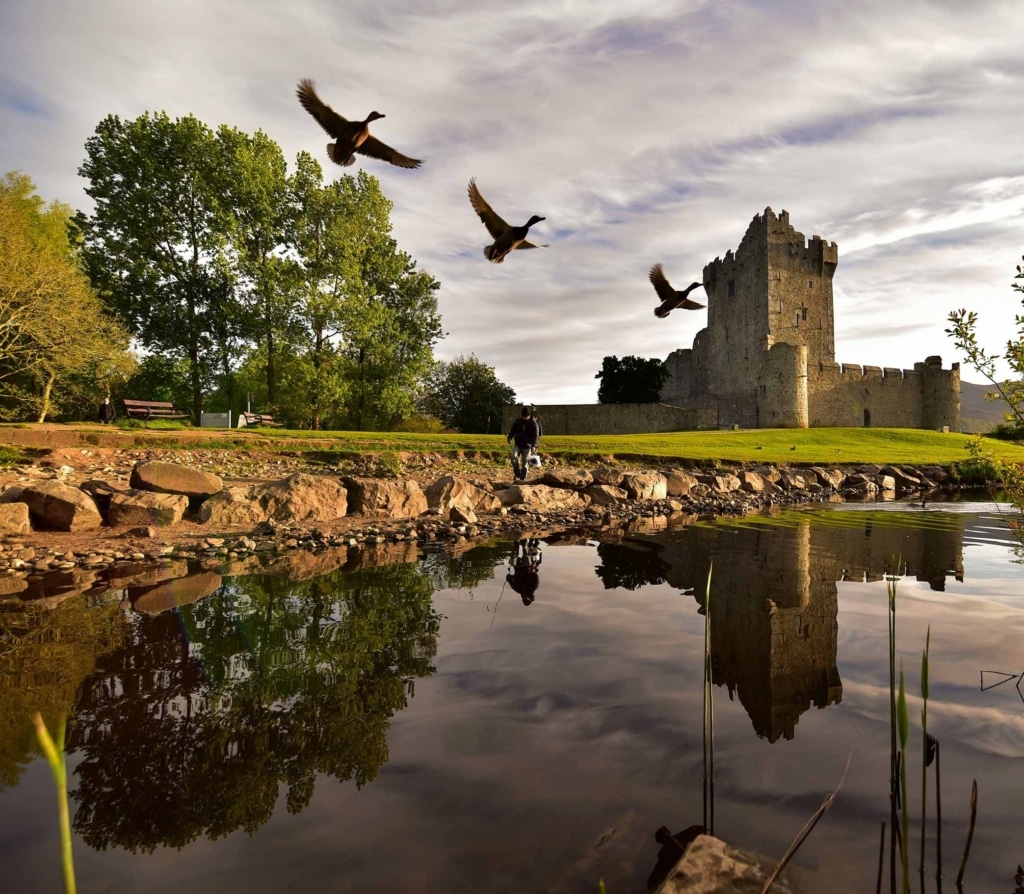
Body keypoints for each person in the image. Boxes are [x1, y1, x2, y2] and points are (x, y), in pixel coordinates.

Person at [506, 538, 542, 606]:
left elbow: (509, 579)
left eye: (523, 598)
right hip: (528, 567)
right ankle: (524, 542)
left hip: (518, 568)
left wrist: (509, 578)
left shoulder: (517, 589)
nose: (524, 596)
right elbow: (535, 575)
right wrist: (532, 569)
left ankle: (516, 543)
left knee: (513, 561)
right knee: (527, 557)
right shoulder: (534, 587)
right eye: (526, 598)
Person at [506, 406, 539, 482]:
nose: (524, 418)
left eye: (526, 417)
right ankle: (517, 474)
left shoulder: (534, 424)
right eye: (523, 416)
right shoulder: (518, 421)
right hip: (518, 444)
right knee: (513, 457)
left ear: (529, 415)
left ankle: (522, 478)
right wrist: (510, 437)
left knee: (525, 463)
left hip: (527, 446)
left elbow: (536, 436)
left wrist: (534, 446)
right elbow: (513, 429)